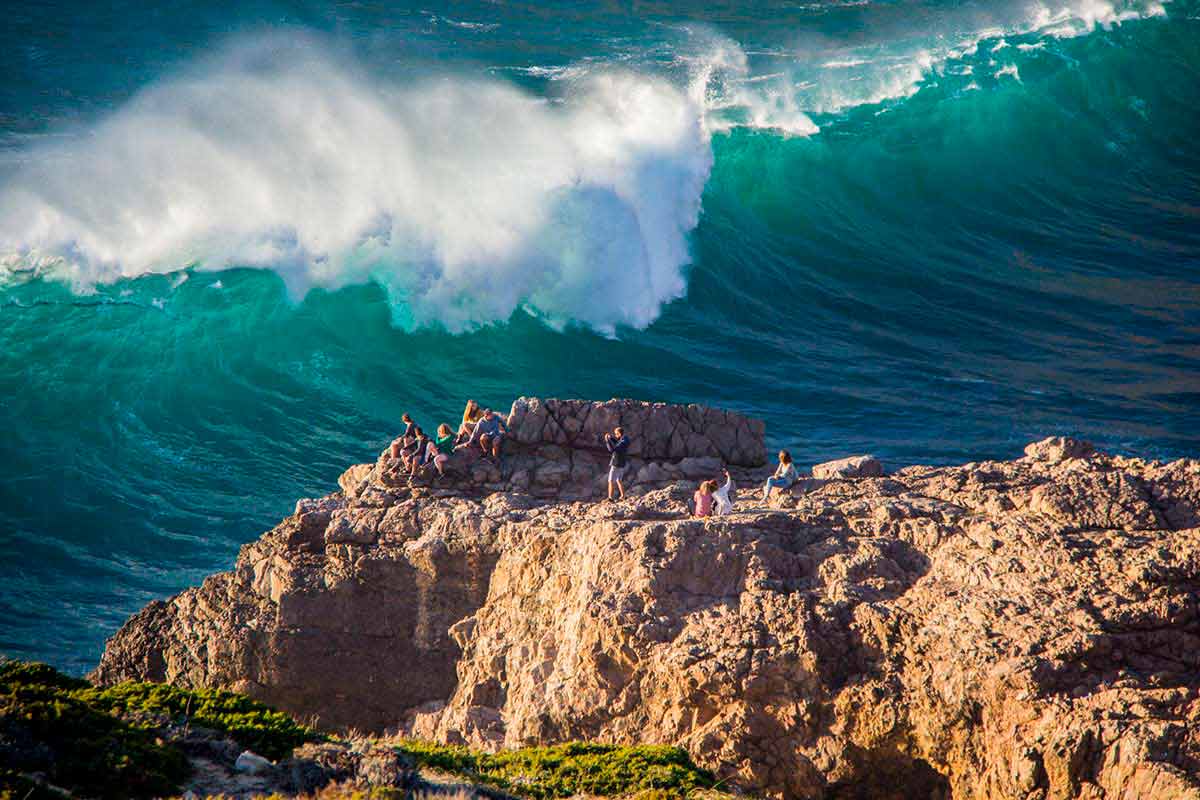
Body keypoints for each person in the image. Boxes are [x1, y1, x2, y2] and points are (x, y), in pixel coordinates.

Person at [603, 426, 630, 501]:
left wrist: (607, 441)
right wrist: (611, 438)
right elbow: (617, 442)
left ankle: (610, 498)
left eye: (616, 434)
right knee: (619, 480)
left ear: (619, 434)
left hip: (616, 463)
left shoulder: (623, 442)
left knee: (611, 480)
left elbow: (612, 450)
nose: (615, 435)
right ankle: (623, 496)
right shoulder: (625, 440)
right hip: (622, 464)